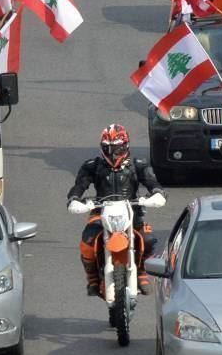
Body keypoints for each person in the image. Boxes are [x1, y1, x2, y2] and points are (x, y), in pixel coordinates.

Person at [67, 124, 165, 295]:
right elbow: (80, 185)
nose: (113, 153)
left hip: (132, 211)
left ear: (126, 146)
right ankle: (92, 278)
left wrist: (157, 193)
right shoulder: (92, 166)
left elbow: (152, 182)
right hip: (100, 212)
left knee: (148, 240)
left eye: (117, 148)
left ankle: (141, 273)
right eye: (108, 148)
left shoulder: (138, 165)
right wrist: (74, 198)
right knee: (87, 241)